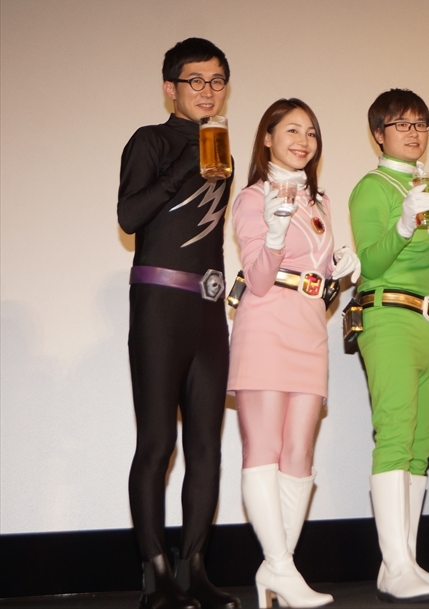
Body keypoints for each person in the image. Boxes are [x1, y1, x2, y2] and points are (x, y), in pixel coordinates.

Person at [117, 37, 240, 609]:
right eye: (195, 80)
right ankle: (156, 575)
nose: (207, 90)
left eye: (217, 80)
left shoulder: (223, 148)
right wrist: (184, 168)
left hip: (208, 309)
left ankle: (195, 571)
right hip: (160, 307)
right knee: (158, 442)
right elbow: (129, 215)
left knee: (208, 446)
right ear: (171, 87)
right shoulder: (151, 140)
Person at [229, 98, 358, 607]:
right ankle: (282, 569)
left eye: (311, 132)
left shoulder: (320, 200)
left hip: (308, 328)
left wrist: (340, 272)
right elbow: (260, 279)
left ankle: (275, 569)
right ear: (267, 138)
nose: (303, 141)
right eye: (291, 130)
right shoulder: (251, 198)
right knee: (264, 447)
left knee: (300, 454)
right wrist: (276, 234)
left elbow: (318, 280)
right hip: (265, 326)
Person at [348, 89, 429, 602]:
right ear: (379, 133)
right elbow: (371, 263)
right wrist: (400, 224)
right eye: (402, 124)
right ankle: (396, 567)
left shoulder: (424, 184)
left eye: (421, 124)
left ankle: (405, 564)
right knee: (395, 435)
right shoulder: (372, 187)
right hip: (389, 317)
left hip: (427, 322)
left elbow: (422, 258)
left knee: (420, 446)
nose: (414, 133)